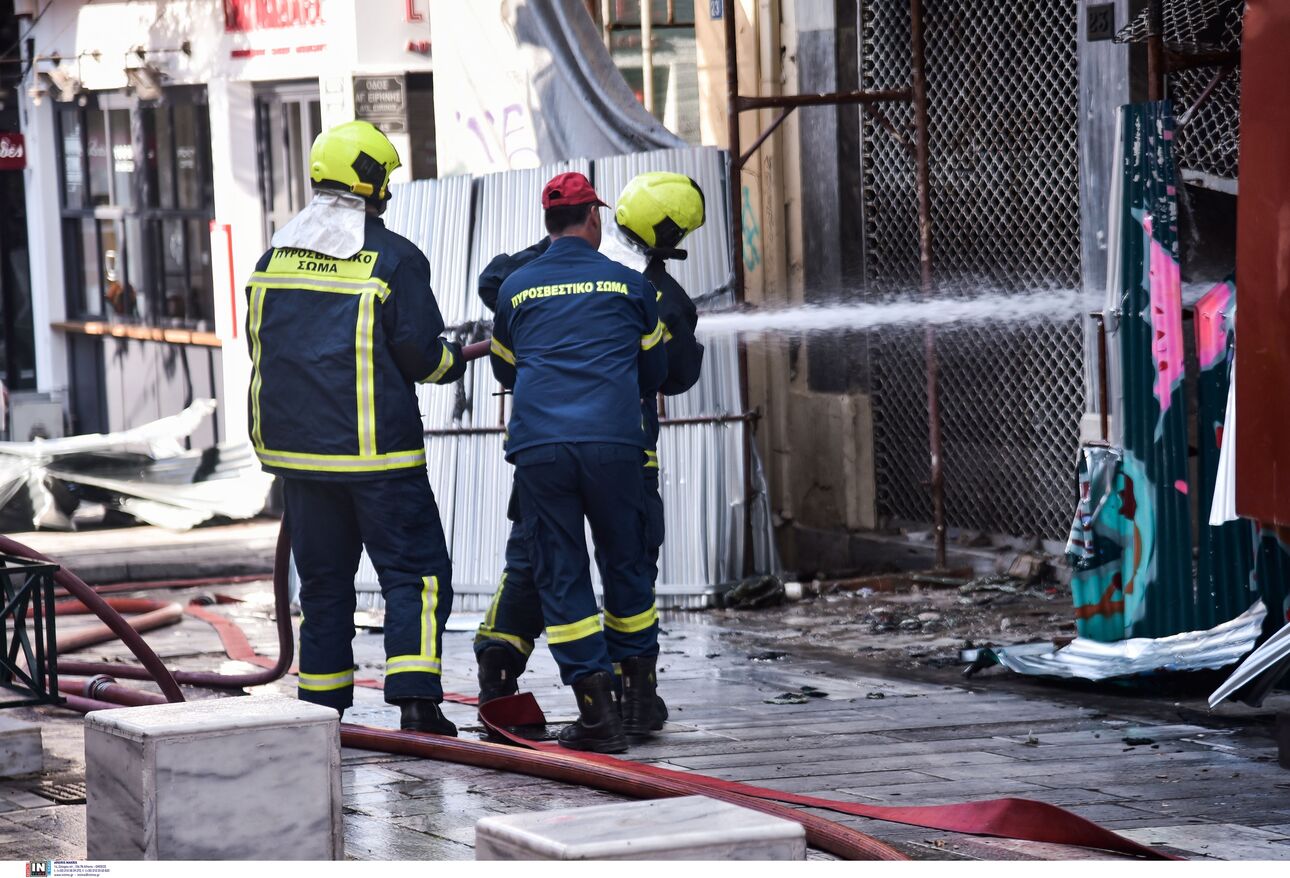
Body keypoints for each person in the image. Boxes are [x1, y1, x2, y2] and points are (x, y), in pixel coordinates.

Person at [245, 120, 466, 735]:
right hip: (379, 460)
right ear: (370, 182)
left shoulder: (274, 256)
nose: (389, 192)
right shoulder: (394, 258)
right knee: (415, 576)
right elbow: (423, 356)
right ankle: (417, 704)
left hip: (301, 462)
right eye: (385, 179)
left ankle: (321, 712)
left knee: (322, 585)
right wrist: (455, 360)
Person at [483, 172, 704, 749]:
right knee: (627, 564)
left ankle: (595, 713)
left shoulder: (516, 289)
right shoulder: (631, 287)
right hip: (616, 446)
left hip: (540, 451)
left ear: (547, 223)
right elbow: (656, 374)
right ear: (592, 219)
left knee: (560, 574)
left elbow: (505, 369)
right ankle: (635, 702)